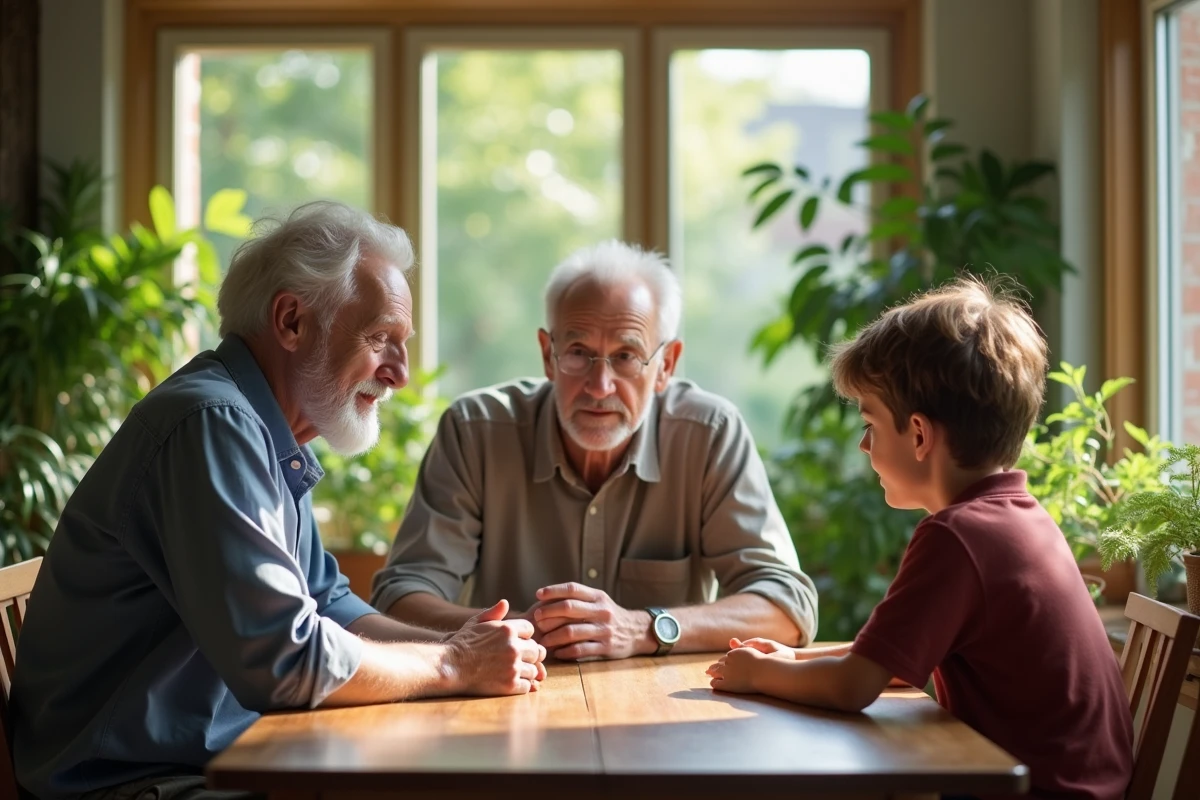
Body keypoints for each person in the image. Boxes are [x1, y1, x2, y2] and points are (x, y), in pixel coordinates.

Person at [11, 202, 546, 800]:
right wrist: (454, 667)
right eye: (380, 339)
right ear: (291, 321)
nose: (398, 373)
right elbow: (286, 657)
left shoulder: (264, 431)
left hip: (218, 758)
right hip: (132, 783)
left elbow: (328, 601)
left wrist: (454, 648)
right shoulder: (211, 422)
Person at [706, 278, 1133, 800]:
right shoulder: (1017, 517)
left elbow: (854, 686)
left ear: (919, 434)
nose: (864, 446)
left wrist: (757, 676)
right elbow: (884, 660)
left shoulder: (958, 537)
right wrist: (791, 659)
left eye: (870, 424)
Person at [372, 240, 817, 661]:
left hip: (668, 716)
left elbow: (788, 607)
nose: (600, 386)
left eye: (626, 356)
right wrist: (516, 631)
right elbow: (399, 596)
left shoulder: (709, 434)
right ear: (548, 355)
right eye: (579, 352)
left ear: (666, 365)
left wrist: (644, 629)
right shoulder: (475, 431)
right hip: (510, 704)